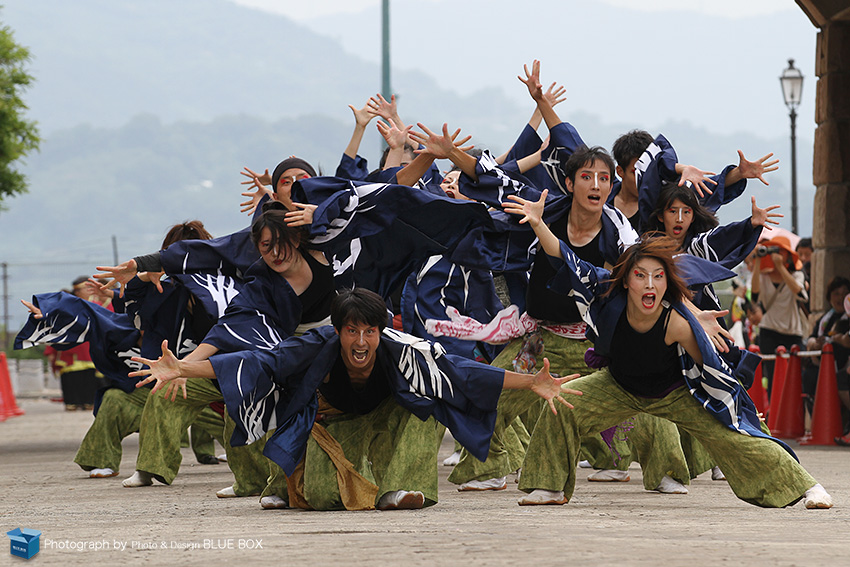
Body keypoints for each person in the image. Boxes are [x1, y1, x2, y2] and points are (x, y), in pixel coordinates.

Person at [495, 193, 832, 508]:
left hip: (675, 393)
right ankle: (549, 486)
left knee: (735, 434)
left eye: (658, 277)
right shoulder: (605, 294)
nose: (650, 284)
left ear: (667, 284)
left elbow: (713, 373)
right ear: (627, 280)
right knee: (562, 405)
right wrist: (539, 224)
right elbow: (565, 258)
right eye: (640, 276)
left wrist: (734, 406)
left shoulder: (678, 324)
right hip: (618, 386)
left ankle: (808, 486)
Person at [129, 288, 577, 511]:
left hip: (384, 417)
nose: (361, 341)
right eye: (351, 331)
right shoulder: (317, 345)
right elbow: (259, 362)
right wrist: (183, 367)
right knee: (322, 499)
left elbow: (461, 372)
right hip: (331, 421)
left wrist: (530, 383)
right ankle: (288, 483)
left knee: (426, 407)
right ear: (339, 331)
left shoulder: (401, 349)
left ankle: (400, 488)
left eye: (369, 331)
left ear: (379, 332)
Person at [750, 235, 808, 398]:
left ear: (789, 255)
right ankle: (773, 414)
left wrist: (781, 267)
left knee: (794, 376)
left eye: (781, 251)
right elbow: (754, 295)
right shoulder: (764, 276)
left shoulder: (797, 275)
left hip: (792, 332)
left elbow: (800, 294)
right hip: (769, 331)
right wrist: (758, 263)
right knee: (773, 376)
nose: (777, 255)